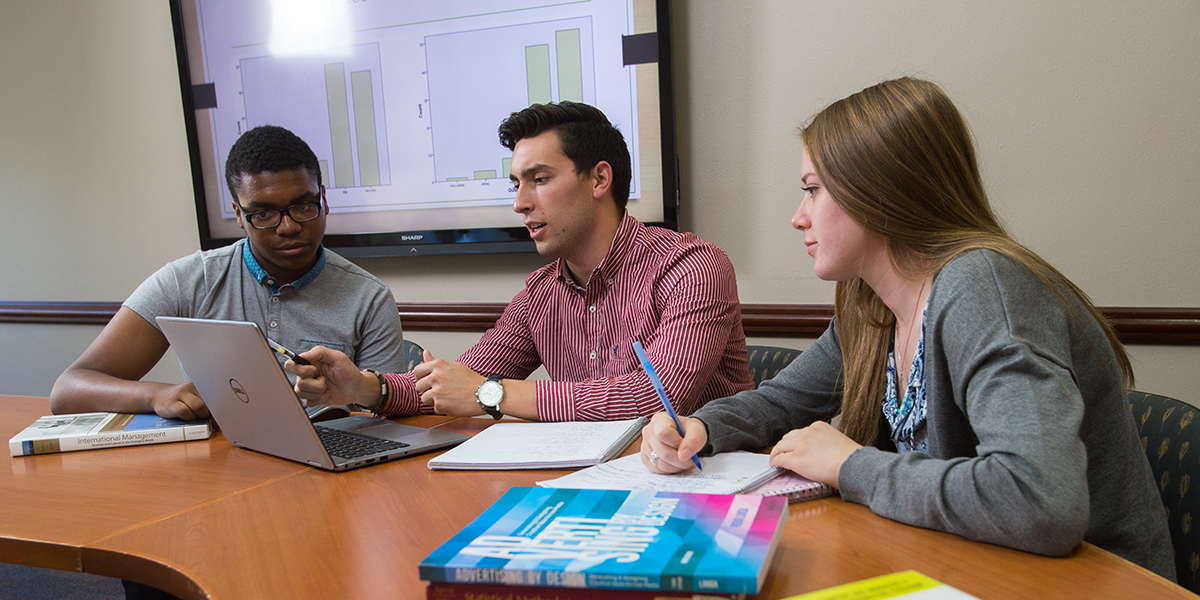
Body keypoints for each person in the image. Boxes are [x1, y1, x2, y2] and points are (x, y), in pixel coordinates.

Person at [639, 77, 1174, 579]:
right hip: (974, 564)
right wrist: (699, 428)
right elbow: (781, 403)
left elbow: (1040, 500)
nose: (799, 217)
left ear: (876, 191)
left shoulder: (984, 288)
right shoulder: (870, 302)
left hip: (1085, 582)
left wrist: (852, 466)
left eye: (813, 190)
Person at [287, 101, 753, 421]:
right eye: (516, 184)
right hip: (594, 482)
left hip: (705, 484)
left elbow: (656, 397)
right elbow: (460, 379)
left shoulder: (692, 266)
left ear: (599, 180)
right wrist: (363, 387)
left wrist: (491, 394)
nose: (519, 204)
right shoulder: (541, 293)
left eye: (539, 179)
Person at [50, 125, 406, 421]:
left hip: (330, 476)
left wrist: (354, 391)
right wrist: (159, 395)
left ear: (323, 200)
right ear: (238, 214)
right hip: (217, 471)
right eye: (263, 213)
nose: (288, 227)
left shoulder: (369, 298)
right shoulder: (189, 281)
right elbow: (69, 390)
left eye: (302, 206)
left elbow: (386, 420)